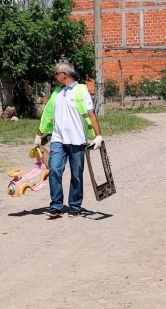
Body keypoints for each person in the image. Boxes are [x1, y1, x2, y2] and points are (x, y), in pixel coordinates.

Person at [35, 61, 103, 218]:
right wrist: (39, 134)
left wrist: (98, 135)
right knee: (54, 170)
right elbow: (48, 115)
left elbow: (91, 114)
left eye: (57, 73)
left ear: (64, 75)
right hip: (58, 139)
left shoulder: (81, 90)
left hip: (77, 140)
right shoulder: (57, 93)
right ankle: (56, 205)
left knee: (77, 174)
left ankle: (75, 205)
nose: (55, 76)